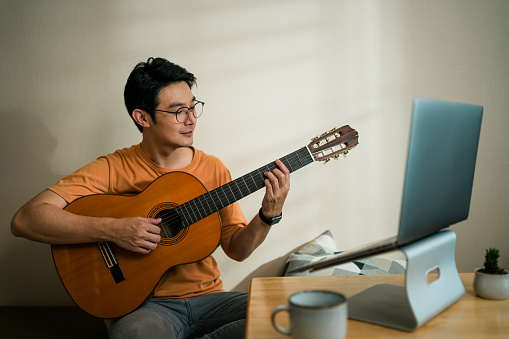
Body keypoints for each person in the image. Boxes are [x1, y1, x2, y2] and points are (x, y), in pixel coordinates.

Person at [11, 57, 290, 339]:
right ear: (142, 117)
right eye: (178, 111)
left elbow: (237, 250)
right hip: (145, 309)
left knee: (291, 317)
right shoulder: (113, 168)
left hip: (211, 300)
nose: (191, 118)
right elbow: (25, 220)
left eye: (193, 107)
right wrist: (114, 229)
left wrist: (268, 215)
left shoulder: (212, 168)